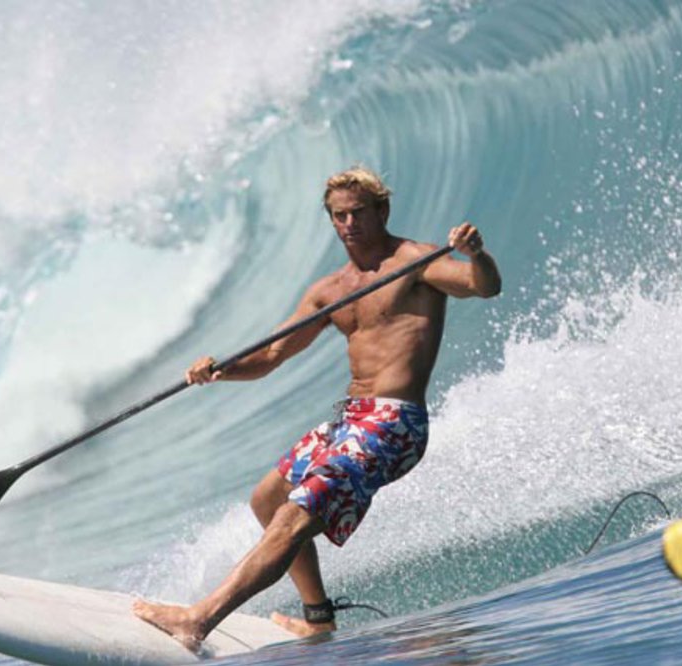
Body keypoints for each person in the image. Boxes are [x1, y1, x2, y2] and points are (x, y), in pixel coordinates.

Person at [133, 166, 502, 650]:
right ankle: (318, 618)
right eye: (339, 216)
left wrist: (477, 255)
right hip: (351, 419)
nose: (349, 224)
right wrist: (219, 369)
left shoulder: (415, 262)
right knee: (268, 499)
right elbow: (270, 355)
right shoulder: (330, 290)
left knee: (295, 514)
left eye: (358, 213)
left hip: (395, 423)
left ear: (382, 210)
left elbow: (483, 285)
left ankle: (198, 620)